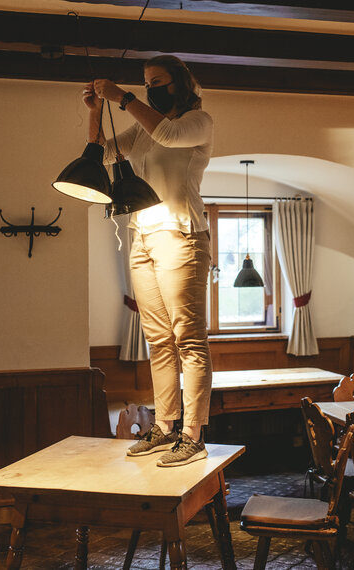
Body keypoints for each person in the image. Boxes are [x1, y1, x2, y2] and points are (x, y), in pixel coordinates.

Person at [83, 55, 214, 467]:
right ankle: (165, 427)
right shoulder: (142, 128)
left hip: (182, 235)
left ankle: (192, 436)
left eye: (156, 82)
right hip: (143, 238)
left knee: (188, 339)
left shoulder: (197, 122)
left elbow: (170, 136)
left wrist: (122, 97)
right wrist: (95, 112)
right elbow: (103, 154)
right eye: (145, 82)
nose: (150, 88)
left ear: (179, 84)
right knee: (157, 339)